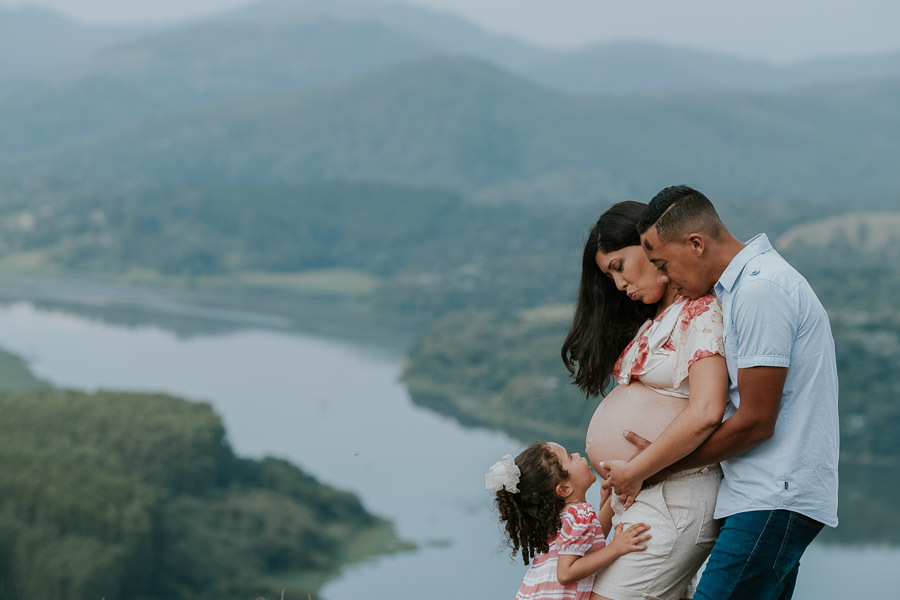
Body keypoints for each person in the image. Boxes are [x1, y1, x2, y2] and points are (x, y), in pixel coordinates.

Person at [633, 185, 839, 600]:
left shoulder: (761, 290)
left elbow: (756, 422)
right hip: (761, 495)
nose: (663, 277)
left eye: (662, 263)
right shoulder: (743, 288)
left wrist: (659, 467)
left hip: (773, 495)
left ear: (695, 243)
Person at [561, 200, 730, 600]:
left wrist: (637, 469)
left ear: (648, 244)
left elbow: (707, 411)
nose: (619, 285)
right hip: (641, 498)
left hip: (673, 498)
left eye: (619, 266)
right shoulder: (655, 321)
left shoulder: (701, 313)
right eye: (610, 276)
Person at [487, 441, 651, 600]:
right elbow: (566, 573)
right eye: (570, 457)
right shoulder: (579, 514)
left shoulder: (561, 519)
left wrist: (625, 478)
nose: (578, 454)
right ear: (564, 489)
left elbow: (593, 536)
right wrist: (615, 549)